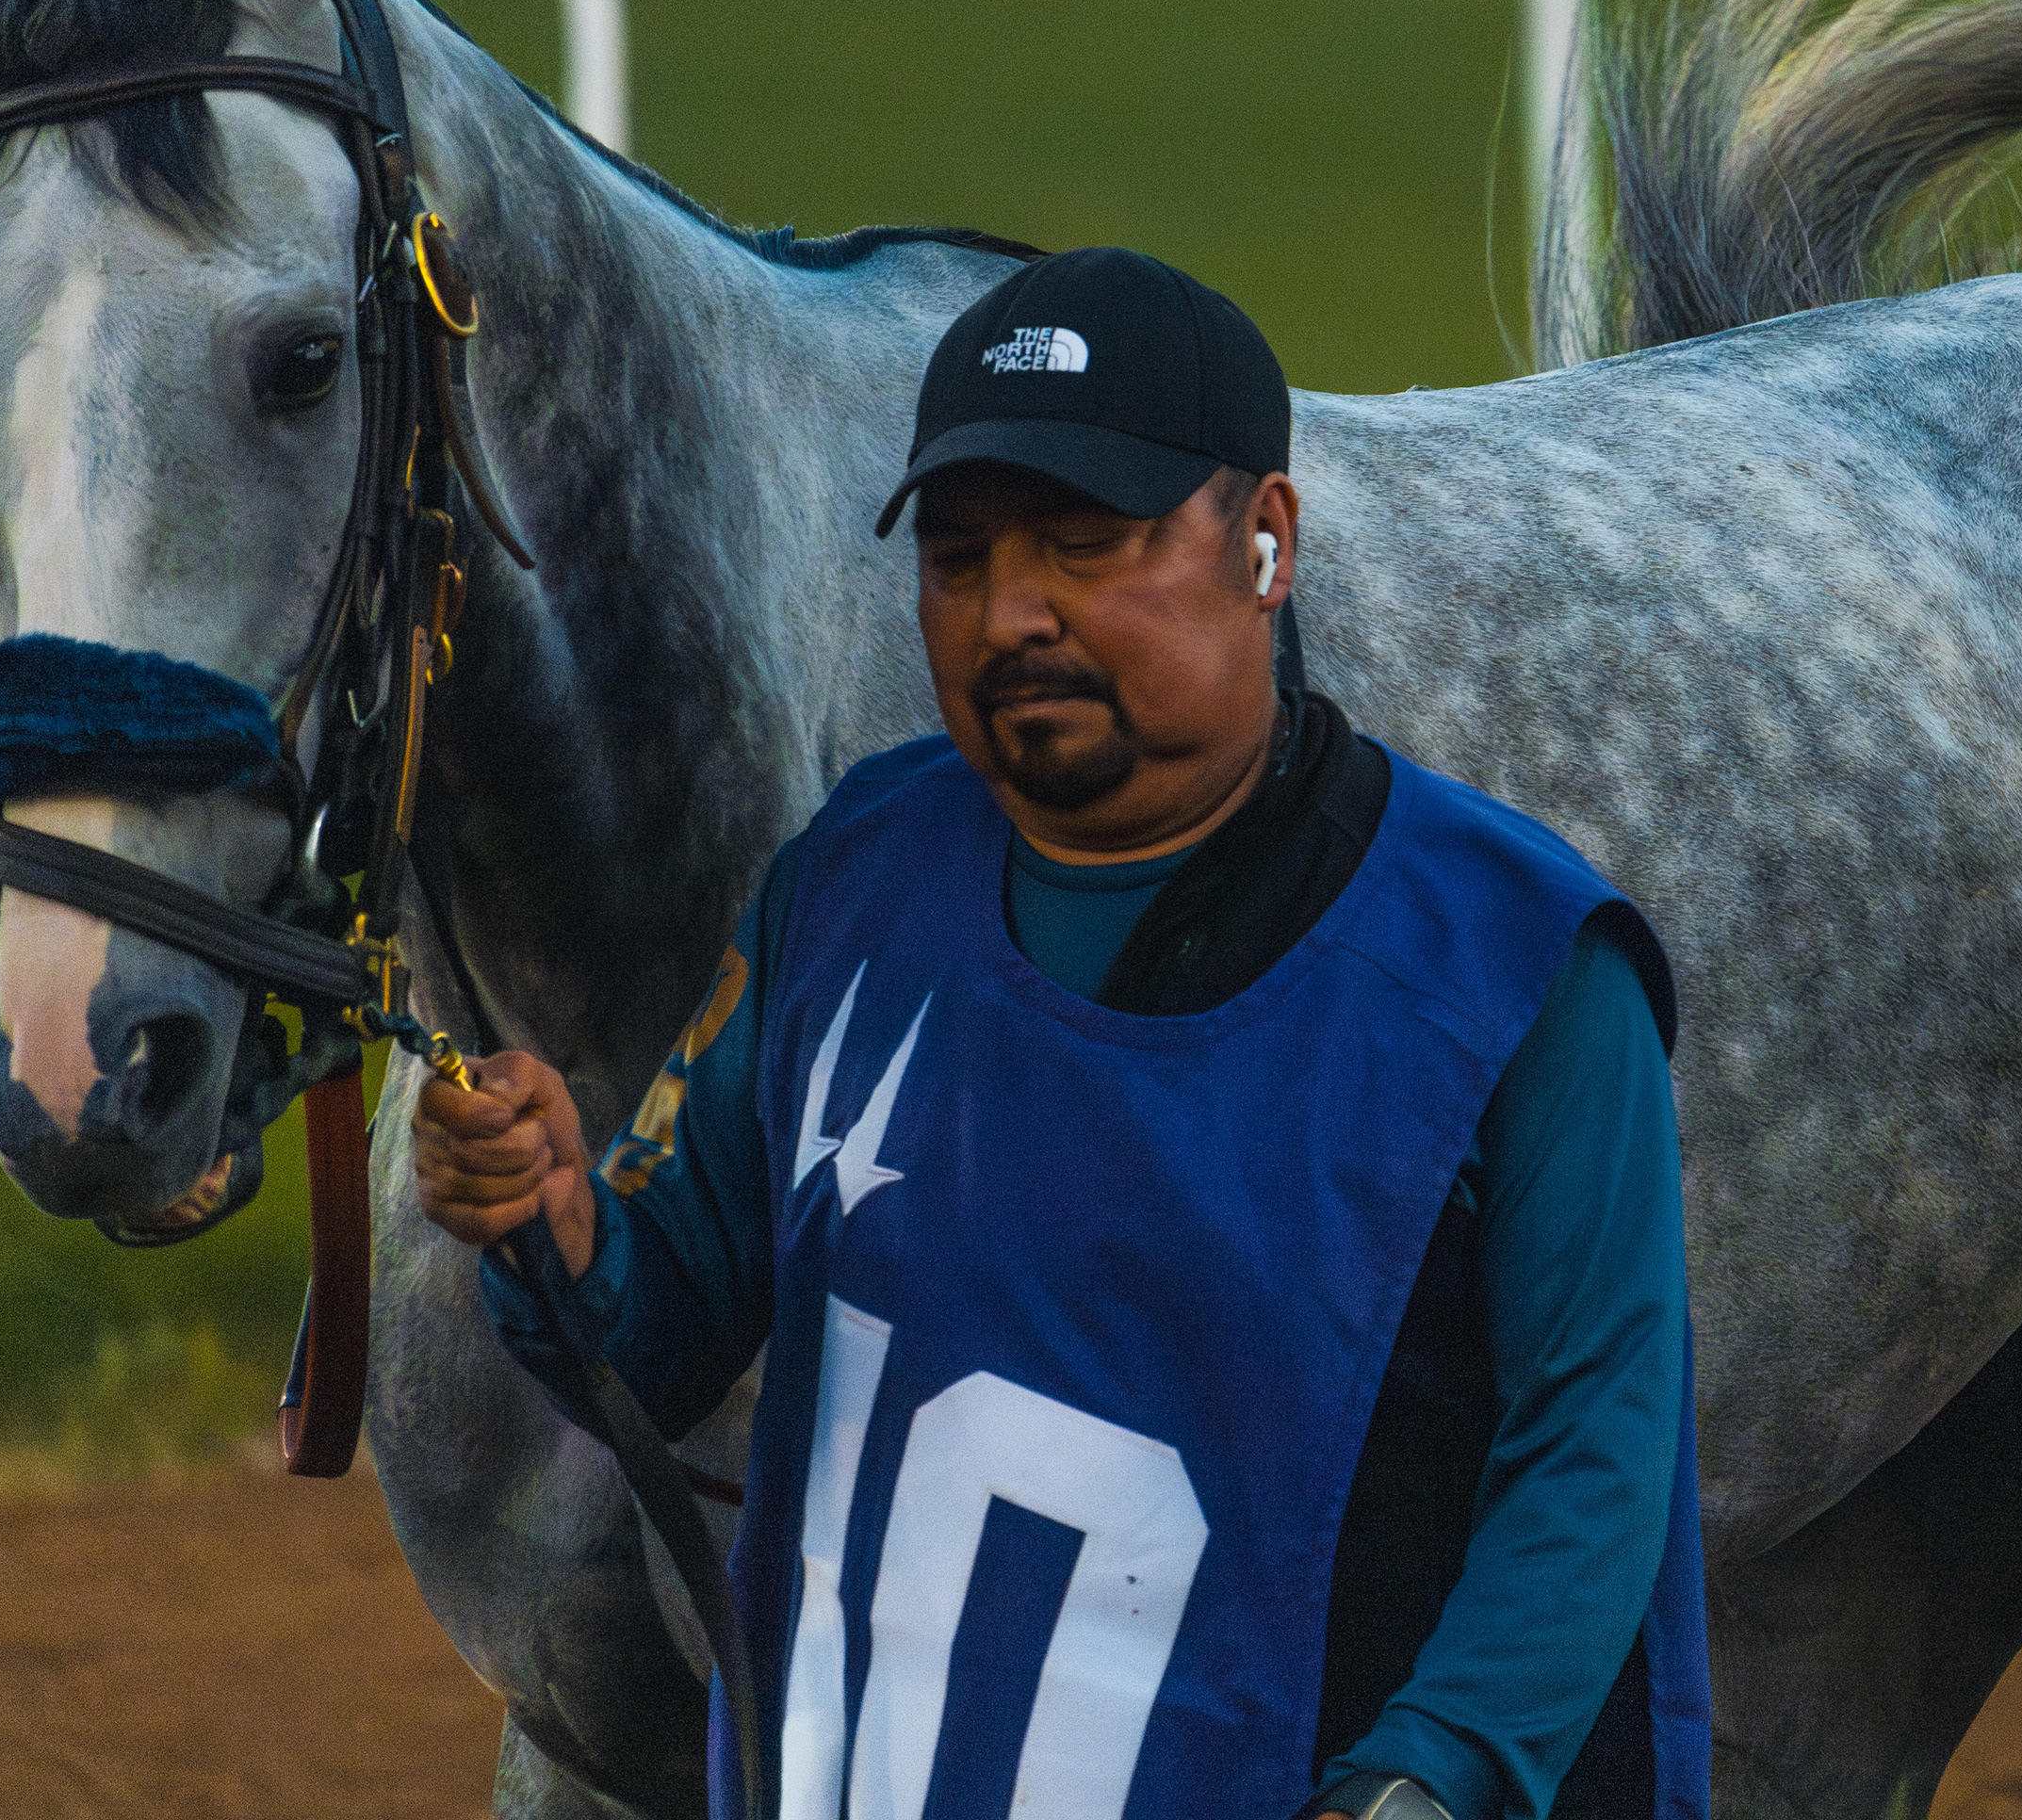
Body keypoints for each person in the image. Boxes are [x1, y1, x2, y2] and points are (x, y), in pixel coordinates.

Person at [410, 246, 1707, 1820]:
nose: (1010, 611)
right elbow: (656, 1323)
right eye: (957, 558)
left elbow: (1596, 1462)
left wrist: (1428, 1786)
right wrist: (555, 1230)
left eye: (1087, 544)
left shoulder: (1523, 970)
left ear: (1269, 543)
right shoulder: (849, 880)